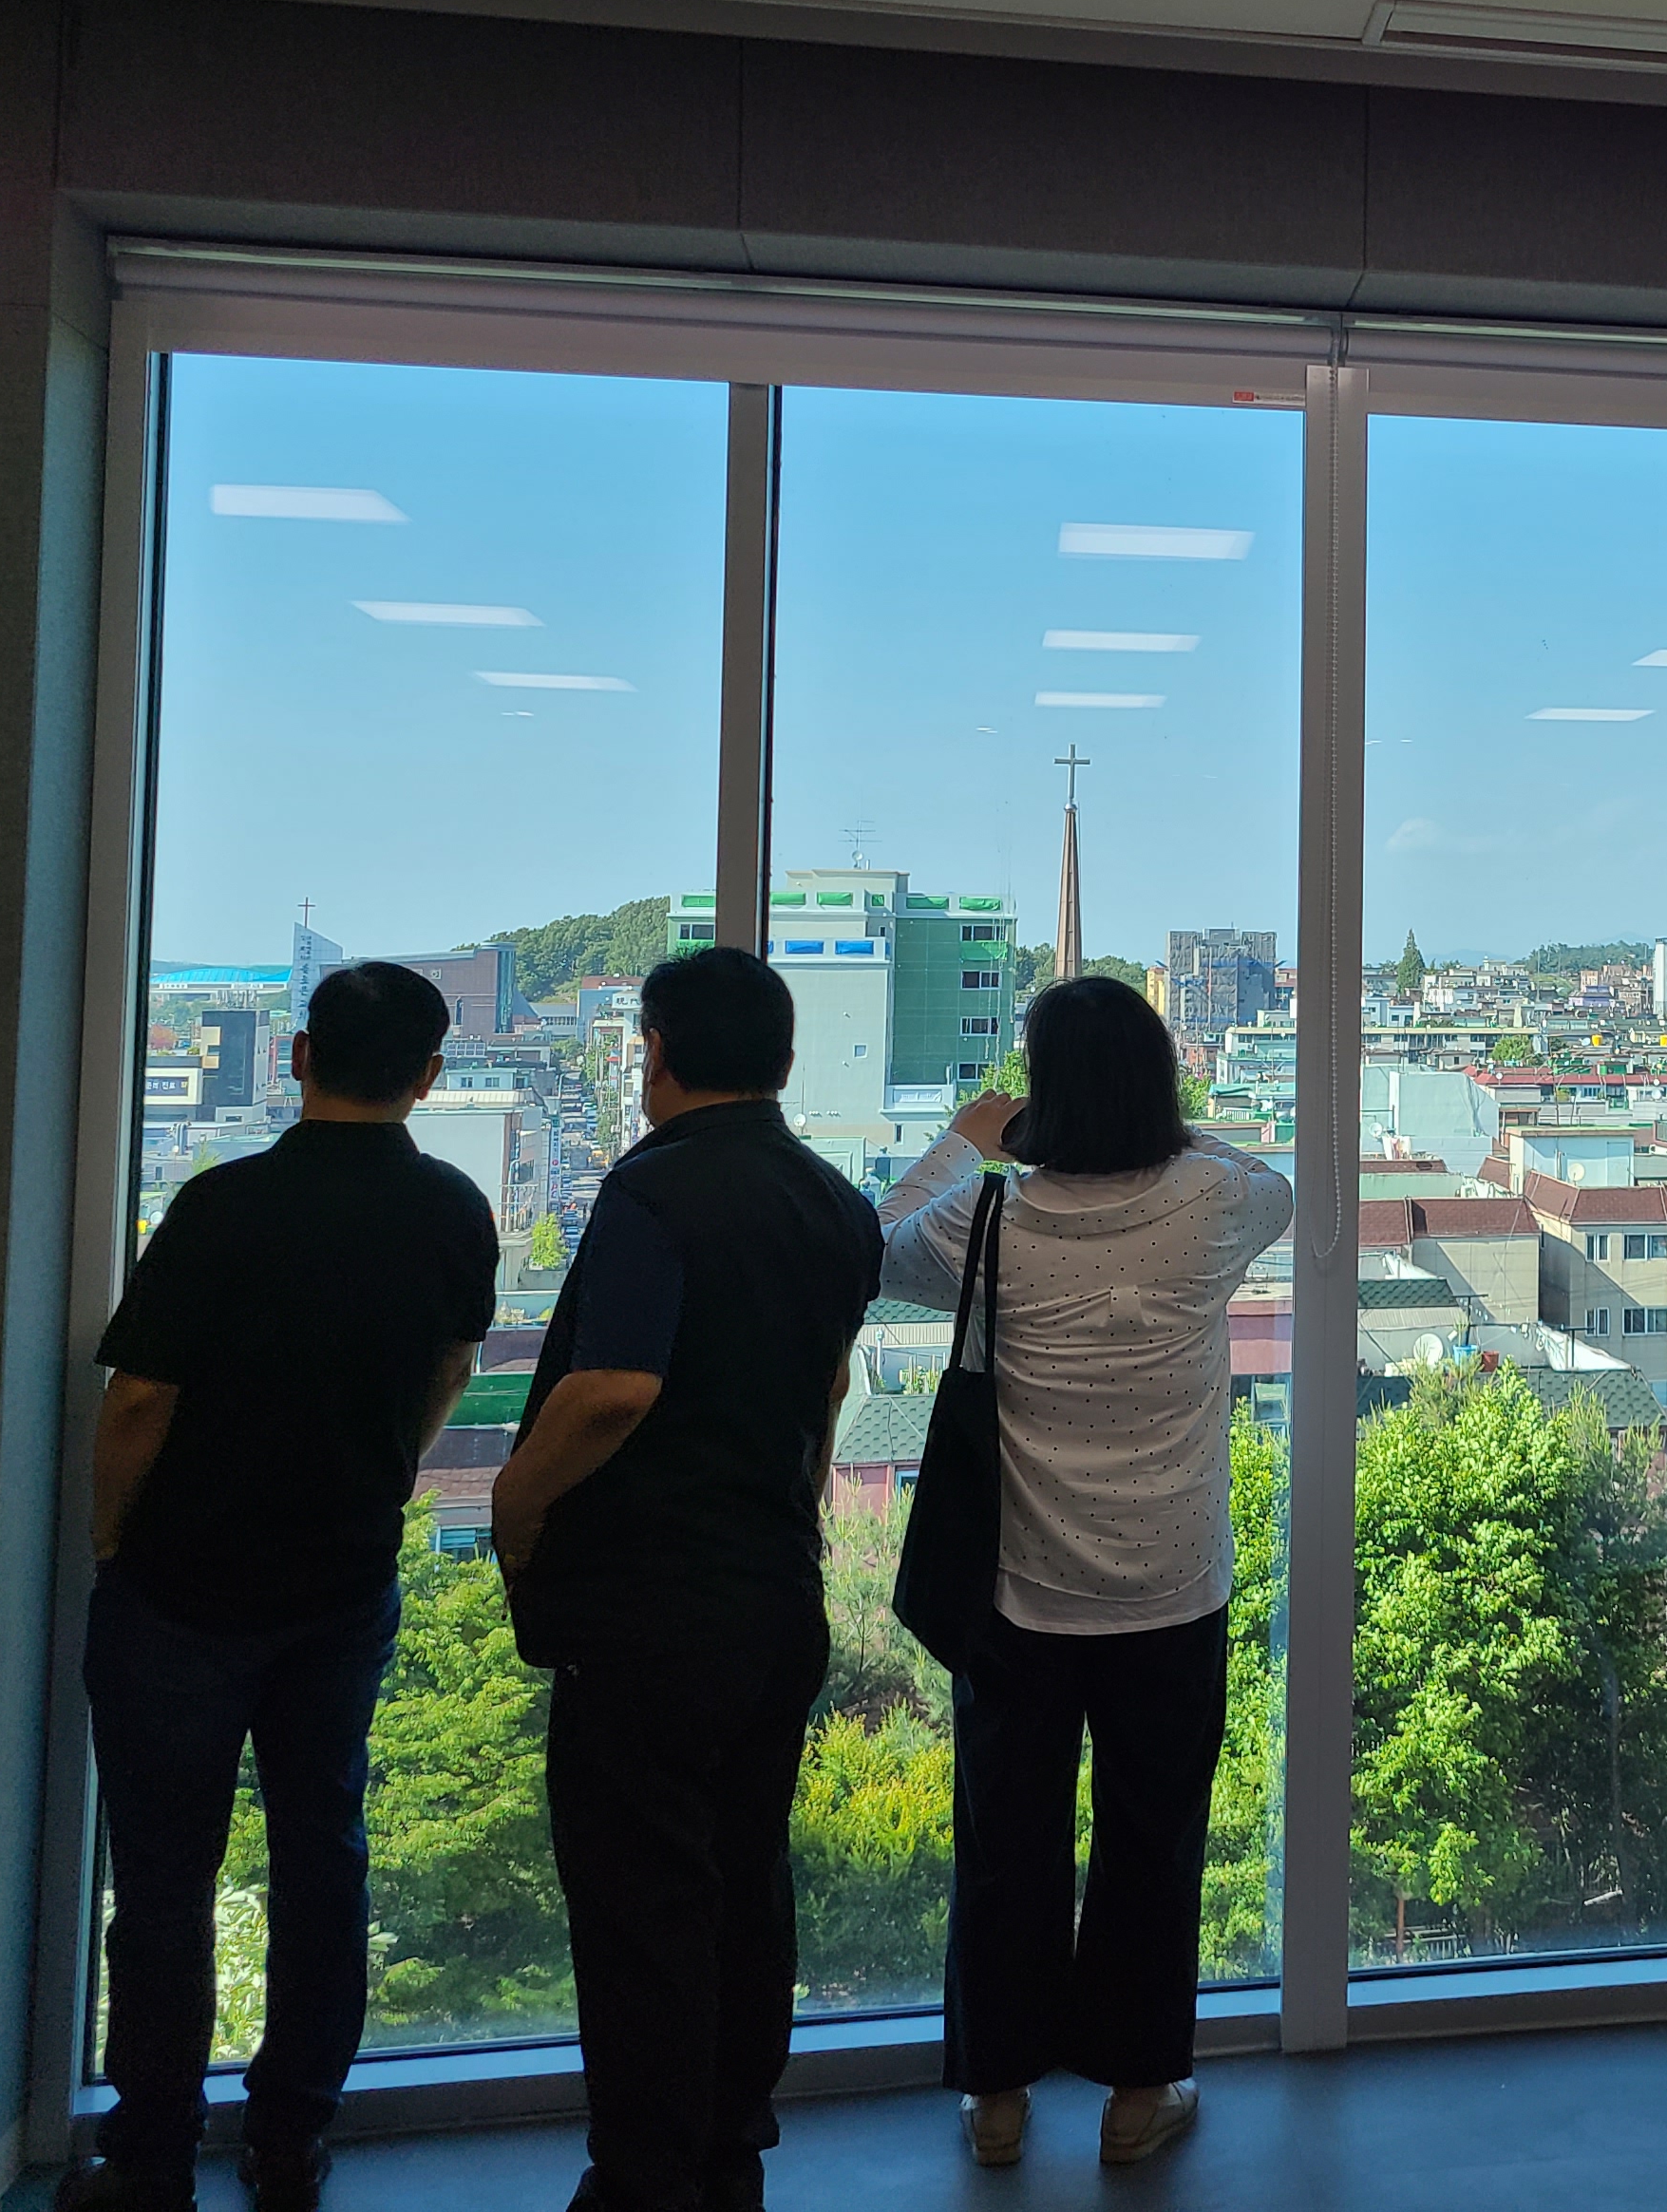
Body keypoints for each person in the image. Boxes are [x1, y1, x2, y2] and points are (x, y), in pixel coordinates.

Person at [72, 961, 496, 2212]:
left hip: (182, 1589)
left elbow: (140, 1398)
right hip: (342, 1583)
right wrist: (390, 1472)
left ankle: (151, 2155)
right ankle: (292, 2133)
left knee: (164, 1882)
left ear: (299, 1056)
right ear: (429, 1076)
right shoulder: (453, 1212)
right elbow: (453, 1364)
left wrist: (110, 1539)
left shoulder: (223, 1206)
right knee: (325, 1860)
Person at [876, 977, 1293, 2172]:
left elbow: (869, 1245)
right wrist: (1165, 1127)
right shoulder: (1212, 1201)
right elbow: (1268, 1180)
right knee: (1153, 1842)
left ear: (1040, 1093)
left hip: (1019, 1590)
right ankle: (1136, 2095)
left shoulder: (987, 1219)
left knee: (1007, 1841)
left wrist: (966, 1139)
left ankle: (999, 2100)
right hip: (1171, 1586)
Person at [492, 947, 881, 2212]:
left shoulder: (652, 1192)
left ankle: (643, 2177)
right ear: (783, 1060)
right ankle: (726, 2149)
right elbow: (828, 1388)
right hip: (775, 1596)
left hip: (649, 1614)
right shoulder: (836, 1203)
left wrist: (513, 1502)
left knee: (642, 1905)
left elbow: (613, 1387)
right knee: (745, 1883)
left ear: (655, 1051)